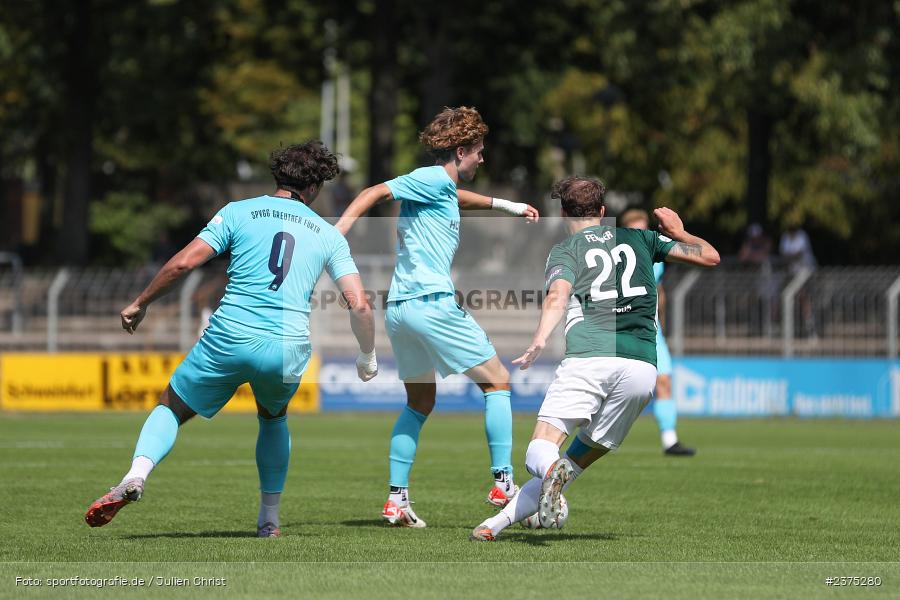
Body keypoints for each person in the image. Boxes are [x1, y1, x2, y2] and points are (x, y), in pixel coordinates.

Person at [84, 141, 378, 537]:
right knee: (273, 418)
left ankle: (136, 475)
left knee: (171, 406)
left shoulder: (239, 211)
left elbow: (185, 262)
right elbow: (359, 305)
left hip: (231, 335)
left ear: (278, 175)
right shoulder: (328, 234)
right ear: (315, 187)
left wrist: (141, 302)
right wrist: (367, 355)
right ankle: (269, 520)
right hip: (287, 346)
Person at [471, 177, 719, 541]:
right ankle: (493, 526)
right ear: (602, 212)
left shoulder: (566, 250)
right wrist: (680, 231)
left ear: (562, 212)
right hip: (640, 368)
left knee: (540, 450)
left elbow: (557, 296)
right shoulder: (643, 238)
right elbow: (710, 256)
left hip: (590, 357)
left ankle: (549, 472)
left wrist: (539, 338)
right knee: (571, 464)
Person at [335, 106, 539, 528]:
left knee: (420, 402)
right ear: (460, 150)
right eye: (479, 151)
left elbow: (457, 196)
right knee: (498, 381)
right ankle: (503, 482)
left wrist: (507, 205)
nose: (483, 159)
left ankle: (396, 498)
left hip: (402, 310)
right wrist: (335, 235)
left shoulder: (440, 186)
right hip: (431, 303)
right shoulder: (428, 178)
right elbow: (374, 192)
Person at [619, 208, 695, 456]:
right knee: (610, 386)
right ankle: (596, 436)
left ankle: (669, 440)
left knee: (664, 380)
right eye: (637, 231)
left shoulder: (655, 254)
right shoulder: (617, 258)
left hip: (651, 329)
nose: (643, 236)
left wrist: (660, 321)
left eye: (646, 230)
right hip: (622, 328)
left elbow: (659, 291)